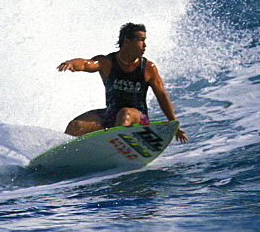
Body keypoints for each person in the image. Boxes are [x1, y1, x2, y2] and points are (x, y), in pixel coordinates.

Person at [57, 23, 188, 143]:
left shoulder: (148, 68)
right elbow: (86, 63)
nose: (145, 45)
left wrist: (173, 123)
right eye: (140, 40)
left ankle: (115, 147)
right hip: (111, 115)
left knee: (125, 114)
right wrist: (72, 63)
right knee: (76, 126)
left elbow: (161, 95)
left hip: (137, 118)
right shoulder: (108, 63)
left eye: (145, 40)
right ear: (127, 41)